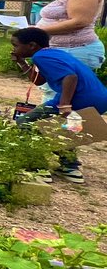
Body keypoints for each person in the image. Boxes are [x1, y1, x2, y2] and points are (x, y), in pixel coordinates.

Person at [11, 26, 107, 184]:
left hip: (79, 98)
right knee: (63, 128)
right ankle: (70, 169)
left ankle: (38, 167)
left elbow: (70, 77)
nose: (14, 49)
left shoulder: (41, 57)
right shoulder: (53, 53)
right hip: (99, 98)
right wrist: (21, 62)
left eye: (16, 45)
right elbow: (39, 80)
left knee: (25, 122)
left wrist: (64, 105)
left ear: (32, 45)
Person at [34, 0, 105, 75]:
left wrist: (38, 31)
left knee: (62, 92)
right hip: (63, 50)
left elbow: (79, 22)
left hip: (74, 50)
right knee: (54, 91)